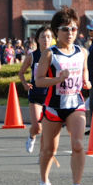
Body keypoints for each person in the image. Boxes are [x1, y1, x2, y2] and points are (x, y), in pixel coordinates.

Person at [35, 8, 91, 185]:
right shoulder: (49, 54)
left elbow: (84, 72)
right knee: (49, 149)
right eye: (65, 29)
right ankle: (43, 184)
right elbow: (39, 81)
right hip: (53, 106)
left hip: (75, 104)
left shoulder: (82, 52)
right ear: (56, 31)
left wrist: (86, 81)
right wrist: (57, 79)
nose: (70, 33)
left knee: (77, 145)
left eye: (74, 29)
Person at [18, 25, 53, 153]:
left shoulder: (55, 55)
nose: (46, 39)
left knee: (48, 128)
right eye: (43, 37)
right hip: (36, 95)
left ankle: (43, 154)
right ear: (37, 39)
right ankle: (31, 137)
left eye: (49, 37)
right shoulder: (32, 56)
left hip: (51, 96)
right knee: (37, 127)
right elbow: (21, 73)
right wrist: (25, 84)